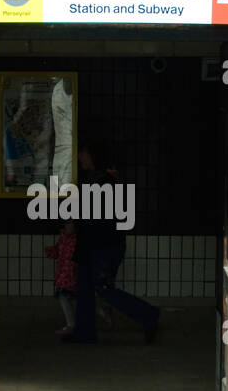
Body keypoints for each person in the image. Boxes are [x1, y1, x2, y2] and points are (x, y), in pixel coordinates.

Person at [67, 145, 160, 344]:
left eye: (82, 153)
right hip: (97, 244)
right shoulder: (101, 179)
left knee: (101, 288)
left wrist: (76, 223)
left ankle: (148, 315)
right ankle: (84, 333)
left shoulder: (101, 181)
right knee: (85, 287)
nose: (79, 157)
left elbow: (96, 216)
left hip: (100, 245)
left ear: (91, 155)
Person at [44, 220, 78, 337]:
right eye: (67, 223)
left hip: (69, 274)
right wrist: (51, 251)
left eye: (70, 223)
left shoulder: (72, 238)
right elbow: (58, 252)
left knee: (64, 296)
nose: (67, 226)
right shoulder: (65, 237)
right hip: (65, 273)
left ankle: (71, 325)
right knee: (76, 298)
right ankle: (102, 312)